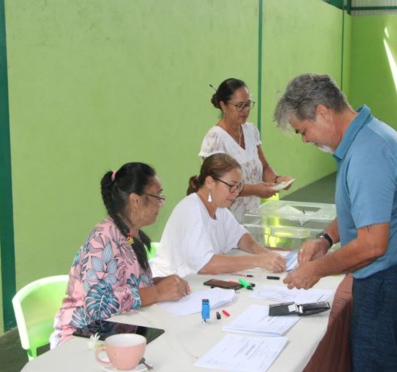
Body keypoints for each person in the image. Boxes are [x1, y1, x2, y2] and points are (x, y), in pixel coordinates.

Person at [274, 73, 397, 371]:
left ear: (322, 112)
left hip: (393, 283)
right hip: (394, 279)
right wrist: (325, 240)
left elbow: (373, 244)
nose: (306, 139)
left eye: (303, 130)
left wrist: (316, 270)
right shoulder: (365, 140)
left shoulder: (368, 153)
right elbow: (364, 211)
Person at [50, 162, 190, 348]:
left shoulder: (130, 235)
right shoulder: (102, 239)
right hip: (82, 336)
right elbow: (97, 306)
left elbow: (127, 282)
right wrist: (156, 293)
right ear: (135, 200)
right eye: (157, 196)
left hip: (117, 327)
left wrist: (161, 284)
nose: (161, 203)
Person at [150, 153, 286, 277]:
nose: (236, 192)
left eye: (239, 186)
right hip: (167, 286)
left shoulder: (220, 209)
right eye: (231, 186)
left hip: (192, 284)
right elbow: (206, 264)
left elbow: (240, 237)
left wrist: (264, 253)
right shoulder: (191, 209)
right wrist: (258, 261)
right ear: (210, 182)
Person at [199, 78, 294, 222]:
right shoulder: (215, 139)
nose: (246, 110)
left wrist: (276, 180)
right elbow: (217, 185)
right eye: (239, 106)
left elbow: (264, 167)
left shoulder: (251, 131)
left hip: (254, 218)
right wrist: (255, 189)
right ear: (223, 106)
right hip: (227, 220)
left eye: (248, 104)